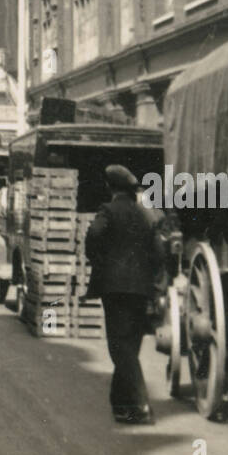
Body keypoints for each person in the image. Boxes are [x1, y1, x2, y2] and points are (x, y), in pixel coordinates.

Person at [85, 164, 166, 425]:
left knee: (120, 347)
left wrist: (100, 261)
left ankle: (141, 405)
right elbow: (159, 252)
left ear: (110, 187)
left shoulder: (108, 210)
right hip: (141, 289)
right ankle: (120, 404)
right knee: (130, 345)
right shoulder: (147, 215)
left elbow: (94, 236)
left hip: (115, 289)